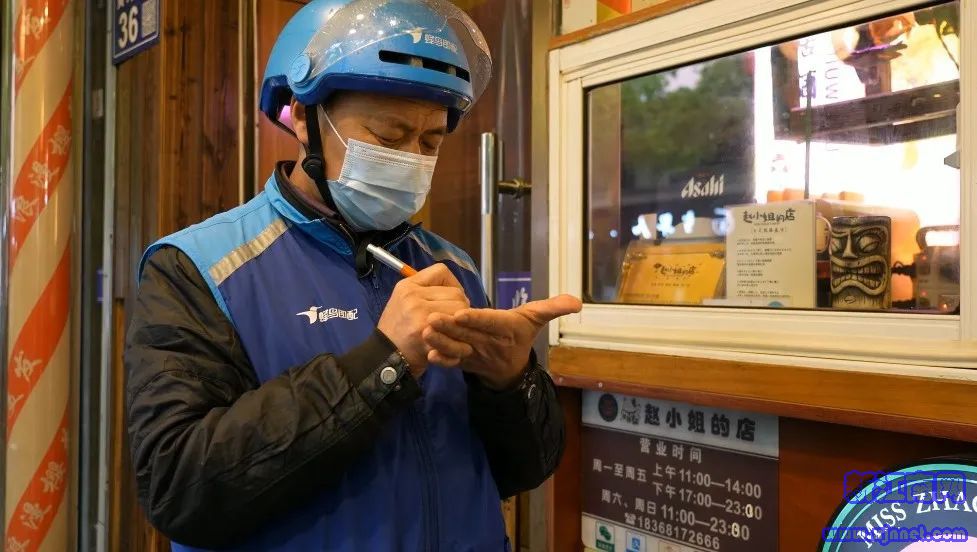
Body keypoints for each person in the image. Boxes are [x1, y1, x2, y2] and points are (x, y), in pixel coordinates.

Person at [123, 0, 582, 550]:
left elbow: (520, 471)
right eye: (388, 136)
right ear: (302, 117)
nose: (412, 158)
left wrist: (511, 382)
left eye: (431, 142)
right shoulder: (198, 267)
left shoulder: (453, 267)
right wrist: (384, 363)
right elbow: (179, 487)